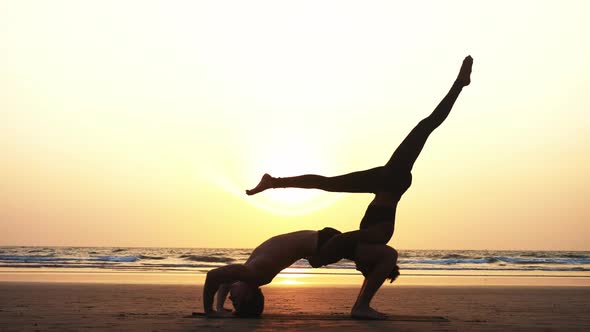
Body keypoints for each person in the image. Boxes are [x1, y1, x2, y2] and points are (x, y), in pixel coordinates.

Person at [246, 56, 473, 267]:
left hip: (386, 182)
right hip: (390, 181)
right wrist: (319, 257)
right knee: (425, 127)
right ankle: (459, 85)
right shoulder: (378, 236)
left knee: (328, 183)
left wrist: (316, 257)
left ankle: (274, 182)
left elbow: (340, 243)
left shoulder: (366, 242)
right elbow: (339, 242)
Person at [203, 228, 399, 319]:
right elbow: (221, 279)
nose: (230, 298)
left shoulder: (253, 274)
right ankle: (376, 268)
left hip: (320, 243)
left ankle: (376, 268)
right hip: (321, 243)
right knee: (359, 256)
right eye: (235, 301)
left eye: (230, 301)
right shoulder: (255, 274)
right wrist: (215, 310)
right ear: (250, 293)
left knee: (358, 256)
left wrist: (213, 310)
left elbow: (217, 277)